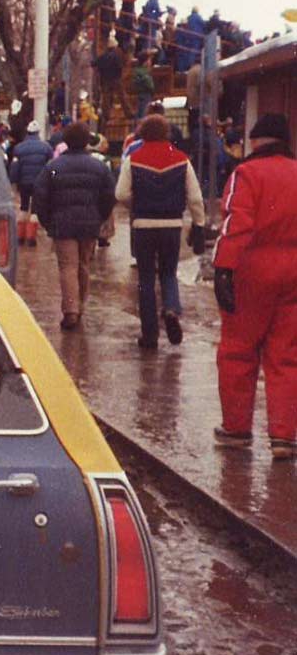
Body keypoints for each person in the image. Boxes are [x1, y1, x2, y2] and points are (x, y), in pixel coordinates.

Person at [212, 113, 297, 459]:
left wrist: (223, 268)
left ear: (256, 141)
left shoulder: (245, 174)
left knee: (238, 351)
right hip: (294, 271)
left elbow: (238, 223)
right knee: (287, 355)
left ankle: (237, 429)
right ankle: (283, 436)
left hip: (252, 270)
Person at [115, 115, 206, 349]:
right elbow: (195, 198)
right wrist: (199, 224)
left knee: (145, 279)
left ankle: (150, 335)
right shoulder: (181, 160)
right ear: (167, 133)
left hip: (144, 226)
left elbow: (121, 194)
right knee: (168, 272)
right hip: (171, 226)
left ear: (142, 133)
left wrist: (137, 204)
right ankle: (172, 309)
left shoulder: (133, 159)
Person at [32, 122, 116, 330]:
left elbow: (40, 196)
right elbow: (109, 196)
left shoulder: (53, 168)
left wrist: (47, 221)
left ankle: (71, 310)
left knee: (67, 266)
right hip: (89, 224)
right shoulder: (99, 168)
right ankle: (80, 304)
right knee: (84, 265)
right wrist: (100, 217)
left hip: (62, 224)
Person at [8, 120, 51, 247]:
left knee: (23, 206)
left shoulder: (19, 148)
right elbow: (50, 166)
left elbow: (15, 167)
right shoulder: (46, 147)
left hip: (24, 182)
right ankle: (31, 238)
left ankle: (20, 237)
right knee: (35, 209)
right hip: (40, 183)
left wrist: (13, 182)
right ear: (38, 132)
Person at [92, 41, 123, 132]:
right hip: (115, 79)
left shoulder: (103, 56)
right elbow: (119, 67)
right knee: (121, 97)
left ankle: (107, 115)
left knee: (106, 98)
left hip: (105, 80)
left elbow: (94, 63)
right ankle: (128, 112)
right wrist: (118, 75)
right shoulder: (116, 56)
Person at [129, 52, 155, 124]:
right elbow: (149, 84)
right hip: (145, 94)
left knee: (140, 113)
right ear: (145, 62)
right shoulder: (143, 72)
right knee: (143, 113)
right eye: (149, 60)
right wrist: (152, 90)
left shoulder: (138, 70)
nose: (150, 62)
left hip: (141, 94)